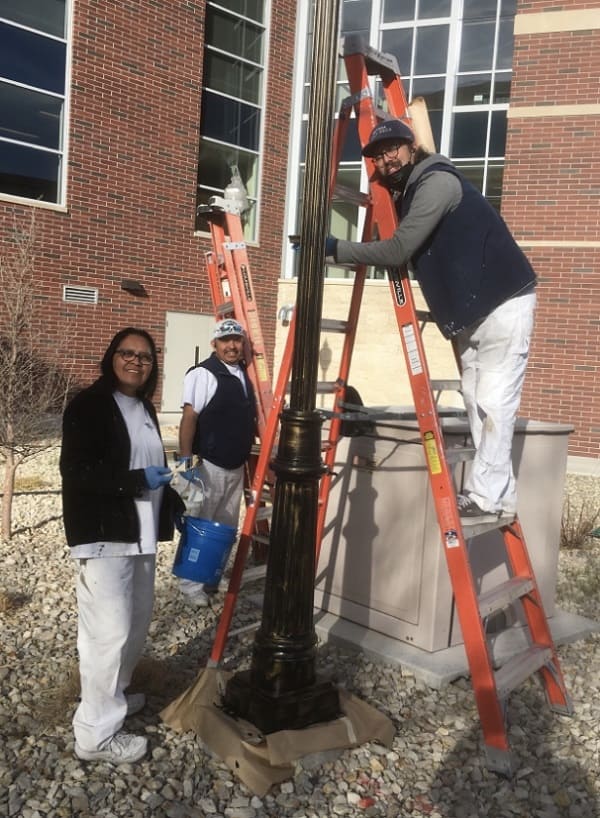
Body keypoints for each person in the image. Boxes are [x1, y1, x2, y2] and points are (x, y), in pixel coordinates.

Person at [326, 119, 537, 522]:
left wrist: (336, 249)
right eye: (377, 155)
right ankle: (500, 495)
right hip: (478, 312)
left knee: (494, 403)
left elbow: (398, 249)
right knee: (477, 400)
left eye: (393, 149)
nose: (387, 160)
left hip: (502, 303)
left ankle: (487, 496)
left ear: (411, 147)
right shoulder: (413, 189)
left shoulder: (437, 182)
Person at [60, 327, 183, 765]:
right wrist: (135, 482)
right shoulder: (89, 406)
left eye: (145, 357)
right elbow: (76, 472)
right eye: (127, 353)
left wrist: (174, 503)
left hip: (141, 533)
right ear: (111, 357)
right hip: (104, 537)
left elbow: (148, 465)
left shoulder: (144, 407)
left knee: (133, 624)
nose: (136, 361)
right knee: (106, 635)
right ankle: (95, 735)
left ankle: (113, 695)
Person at [177, 318, 257, 606]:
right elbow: (189, 418)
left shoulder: (243, 375)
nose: (232, 345)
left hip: (235, 466)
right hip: (210, 464)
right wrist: (186, 460)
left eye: (237, 340)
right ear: (215, 344)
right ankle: (190, 586)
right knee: (201, 525)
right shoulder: (203, 374)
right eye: (226, 341)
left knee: (224, 527)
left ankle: (210, 576)